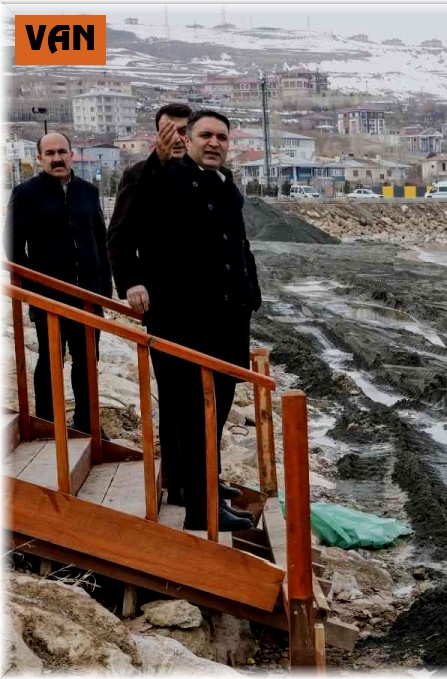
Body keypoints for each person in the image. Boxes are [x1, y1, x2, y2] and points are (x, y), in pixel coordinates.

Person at [112, 110, 261, 531]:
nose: (214, 143)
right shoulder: (166, 177)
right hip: (185, 320)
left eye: (221, 137)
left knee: (220, 408)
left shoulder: (226, 185)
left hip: (229, 318)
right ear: (188, 140)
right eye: (205, 135)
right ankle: (202, 510)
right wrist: (158, 162)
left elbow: (238, 244)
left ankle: (208, 491)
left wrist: (252, 294)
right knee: (196, 415)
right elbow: (134, 217)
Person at [108, 102, 191, 504]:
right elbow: (120, 235)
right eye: (168, 130)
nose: (176, 137)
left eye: (182, 130)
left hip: (208, 307)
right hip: (166, 304)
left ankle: (206, 476)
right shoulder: (138, 176)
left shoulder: (206, 176)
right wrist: (131, 282)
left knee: (208, 394)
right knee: (175, 394)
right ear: (155, 134)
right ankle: (178, 483)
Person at [4, 132, 111, 435]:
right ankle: (47, 422)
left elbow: (100, 242)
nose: (57, 158)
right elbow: (11, 245)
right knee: (51, 359)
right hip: (48, 295)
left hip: (88, 295)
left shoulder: (87, 192)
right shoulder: (26, 193)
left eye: (62, 152)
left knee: (87, 359)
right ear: (40, 158)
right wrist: (32, 287)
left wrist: (104, 289)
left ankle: (87, 421)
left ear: (72, 154)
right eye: (49, 153)